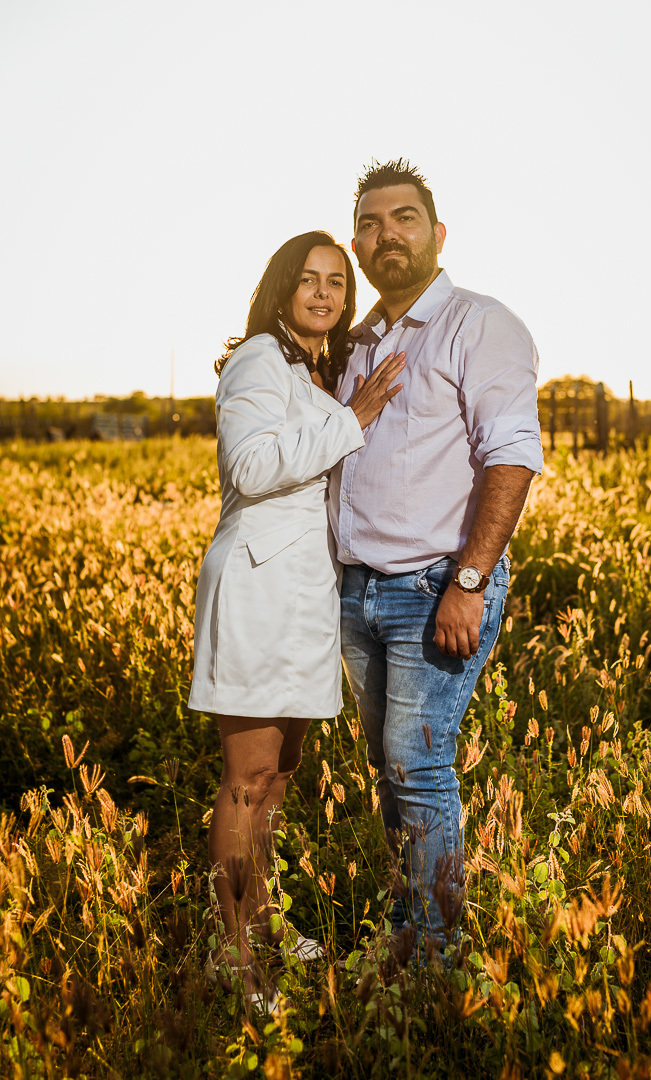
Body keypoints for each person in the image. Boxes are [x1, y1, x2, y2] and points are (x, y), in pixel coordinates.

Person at [329, 161, 544, 946]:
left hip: (433, 587)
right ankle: (408, 928)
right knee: (392, 775)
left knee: (417, 769)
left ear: (437, 232)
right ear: (357, 243)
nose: (388, 233)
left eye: (405, 217)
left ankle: (432, 963)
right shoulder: (355, 344)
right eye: (372, 222)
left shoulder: (477, 324)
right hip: (357, 594)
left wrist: (469, 580)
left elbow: (511, 454)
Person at [188, 230, 404, 1003]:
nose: (323, 293)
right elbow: (249, 467)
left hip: (299, 596)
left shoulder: (307, 372)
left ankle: (268, 921)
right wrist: (358, 417)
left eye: (336, 283)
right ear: (280, 289)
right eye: (308, 279)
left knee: (279, 776)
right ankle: (234, 955)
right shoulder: (257, 359)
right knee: (246, 781)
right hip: (256, 590)